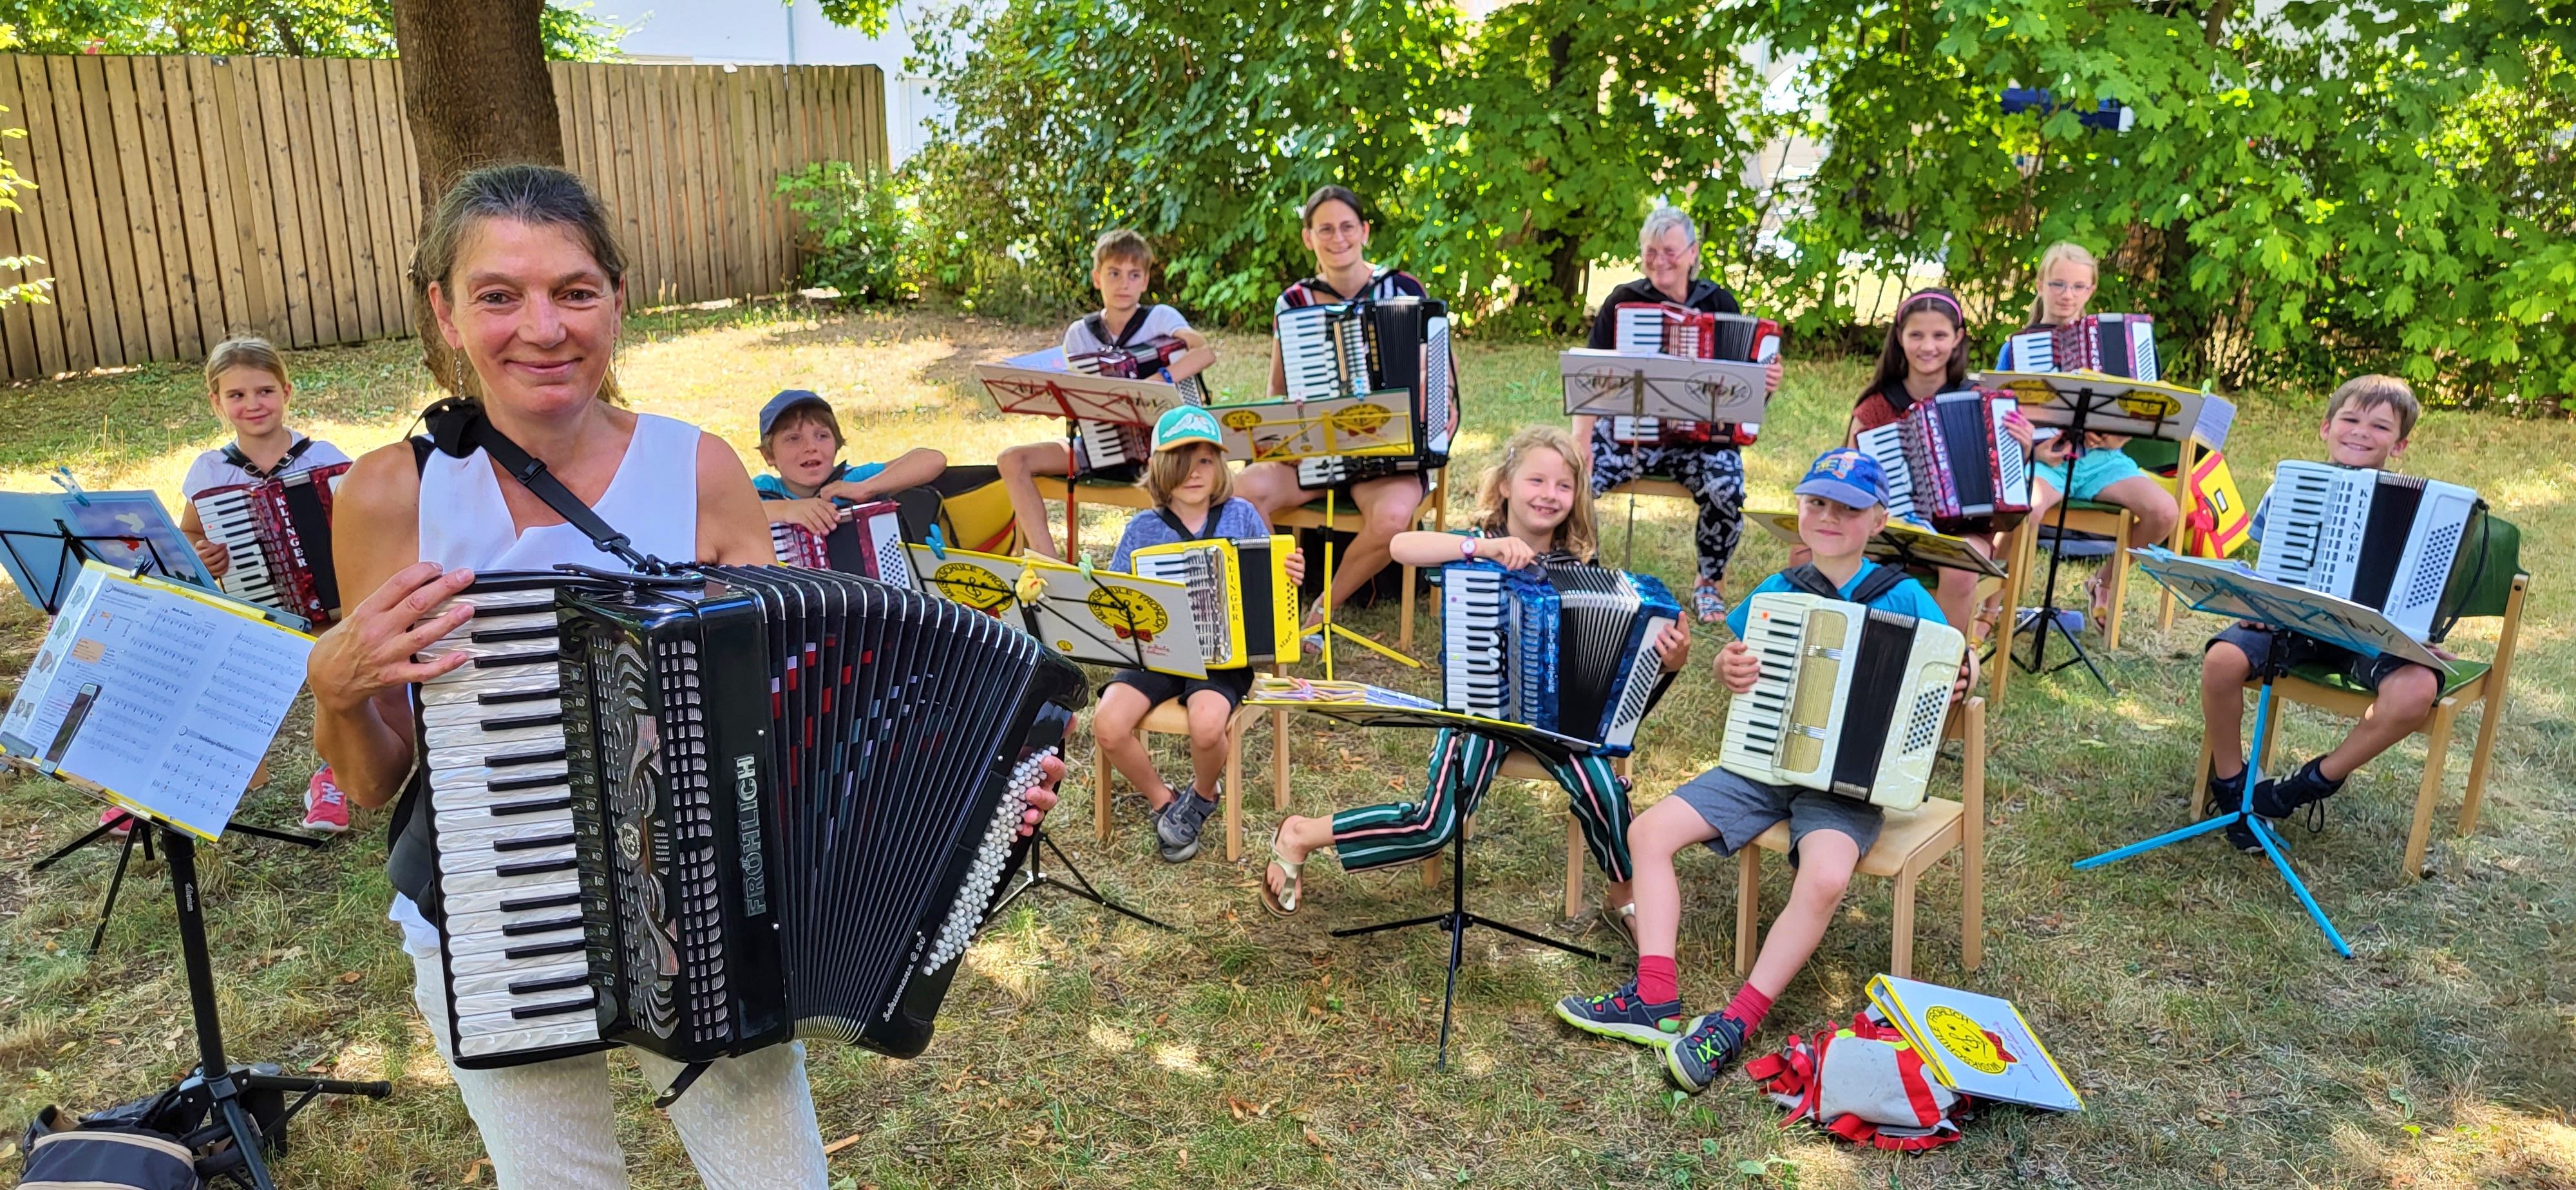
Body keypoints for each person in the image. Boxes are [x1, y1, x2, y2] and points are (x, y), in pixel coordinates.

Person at [304, 164, 1063, 1190]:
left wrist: (970, 793)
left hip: (708, 914)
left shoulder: (698, 469)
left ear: (619, 300)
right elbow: (372, 783)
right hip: (495, 913)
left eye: (575, 291)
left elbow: (803, 717)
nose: (543, 328)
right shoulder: (394, 494)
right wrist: (337, 687)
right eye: (499, 295)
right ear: (445, 312)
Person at [1553, 448, 1969, 1090]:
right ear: (1800, 509)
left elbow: (1951, 664)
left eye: (1848, 508)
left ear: (1878, 520)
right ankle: (1654, 996)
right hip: (1763, 764)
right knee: (1648, 833)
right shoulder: (1780, 590)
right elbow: (1739, 662)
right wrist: (1729, 668)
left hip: (1848, 785)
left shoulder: (1906, 595)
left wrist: (1965, 675)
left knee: (1826, 877)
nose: (1829, 517)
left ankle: (1737, 1022)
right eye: (1817, 503)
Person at [1260, 426, 1689, 936]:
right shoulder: (1473, 549)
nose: (1549, 495)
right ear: (1505, 484)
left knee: (1605, 792)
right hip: (1478, 712)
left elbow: (1619, 665)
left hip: (1555, 726)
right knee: (1432, 826)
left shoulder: (1580, 568)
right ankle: (1302, 834)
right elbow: (1400, 545)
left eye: (1563, 486)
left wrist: (1670, 660)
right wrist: (1480, 549)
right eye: (1536, 480)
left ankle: (1624, 894)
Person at [2199, 376, 2443, 853]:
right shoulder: (2289, 488)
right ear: (2326, 428)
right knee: (2221, 660)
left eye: (2380, 426)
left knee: (2417, 689)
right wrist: (2258, 605)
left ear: (2399, 445)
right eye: (2350, 419)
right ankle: (2232, 786)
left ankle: (2306, 786)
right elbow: (2269, 568)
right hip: (2292, 623)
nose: (2361, 432)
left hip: (2372, 635)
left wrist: (2420, 633)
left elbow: (2428, 592)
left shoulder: (2427, 509)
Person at [1233, 185, 1455, 628]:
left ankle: (1321, 611)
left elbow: (1441, 376)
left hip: (1388, 456)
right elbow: (1277, 388)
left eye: (1347, 227)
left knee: (1393, 518)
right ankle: (1279, 604)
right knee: (1244, 491)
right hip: (1318, 452)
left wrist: (1438, 399)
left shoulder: (1404, 289)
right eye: (1326, 229)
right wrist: (1289, 415)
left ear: (1365, 232)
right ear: (1308, 238)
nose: (1338, 238)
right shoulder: (1293, 302)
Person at [1090, 406, 1306, 862]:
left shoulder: (1241, 515)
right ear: (1159, 468)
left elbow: (1273, 576)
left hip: (1223, 657)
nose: (1194, 473)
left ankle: (1204, 794)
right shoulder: (1142, 529)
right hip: (1158, 653)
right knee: (1107, 724)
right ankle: (1166, 802)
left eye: (1206, 460)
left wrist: (1290, 573)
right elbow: (1116, 599)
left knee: (1207, 727)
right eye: (1182, 462)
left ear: (1220, 466)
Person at [175, 336, 355, 833]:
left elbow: (365, 521)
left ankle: (332, 777)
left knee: (337, 681)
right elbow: (189, 533)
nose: (253, 404)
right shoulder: (212, 471)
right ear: (217, 402)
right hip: (256, 608)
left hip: (332, 611)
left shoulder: (324, 458)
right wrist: (204, 554)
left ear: (286, 392)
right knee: (219, 682)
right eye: (236, 395)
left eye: (265, 391)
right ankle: (198, 780)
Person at [1573, 206, 1785, 623]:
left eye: (1669, 251)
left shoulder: (1719, 302)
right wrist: (1582, 441)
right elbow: (1590, 377)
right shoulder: (1623, 301)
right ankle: (1583, 571)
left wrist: (1765, 382)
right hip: (1630, 433)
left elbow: (1741, 392)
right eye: (1650, 252)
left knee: (1727, 487)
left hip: (1700, 443)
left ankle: (1709, 582)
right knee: (1574, 478)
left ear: (1692, 254)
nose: (1660, 261)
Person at [996, 229, 1217, 558]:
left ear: (1145, 281)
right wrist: (1046, 398)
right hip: (1094, 447)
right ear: (1097, 278)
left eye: (1134, 275)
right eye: (1114, 274)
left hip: (1158, 453)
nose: (1124, 284)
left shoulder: (1159, 318)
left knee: (1178, 474)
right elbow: (1067, 404)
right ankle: (1049, 564)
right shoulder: (1081, 334)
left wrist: (1157, 379)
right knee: (1012, 460)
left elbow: (1203, 351)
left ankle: (1170, 563)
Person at [1846, 287, 2050, 639]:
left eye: (1939, 336)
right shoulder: (1876, 407)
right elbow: (1850, 476)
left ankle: (1943, 663)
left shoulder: (1980, 400)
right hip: (1890, 526)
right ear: (1899, 337)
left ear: (1957, 339)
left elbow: (2008, 482)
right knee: (1818, 550)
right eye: (1917, 335)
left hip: (1966, 528)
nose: (1928, 346)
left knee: (1961, 567)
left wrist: (2023, 448)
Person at [1999, 243, 2179, 625]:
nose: (2067, 295)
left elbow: (2141, 408)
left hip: (2102, 462)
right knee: (2024, 509)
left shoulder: (2118, 341)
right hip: (2047, 463)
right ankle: (1990, 606)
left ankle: (2104, 581)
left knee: (2164, 512)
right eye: (2058, 284)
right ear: (2040, 284)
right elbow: (1999, 417)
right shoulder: (2016, 348)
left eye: (2078, 287)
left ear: (2091, 290)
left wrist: (2117, 437)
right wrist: (2034, 450)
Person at [751, 388, 947, 538]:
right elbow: (733, 515)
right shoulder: (764, 491)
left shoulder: (851, 482)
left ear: (836, 444)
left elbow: (933, 460)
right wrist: (786, 510)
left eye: (822, 436)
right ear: (769, 455)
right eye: (794, 439)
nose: (811, 447)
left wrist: (866, 489)